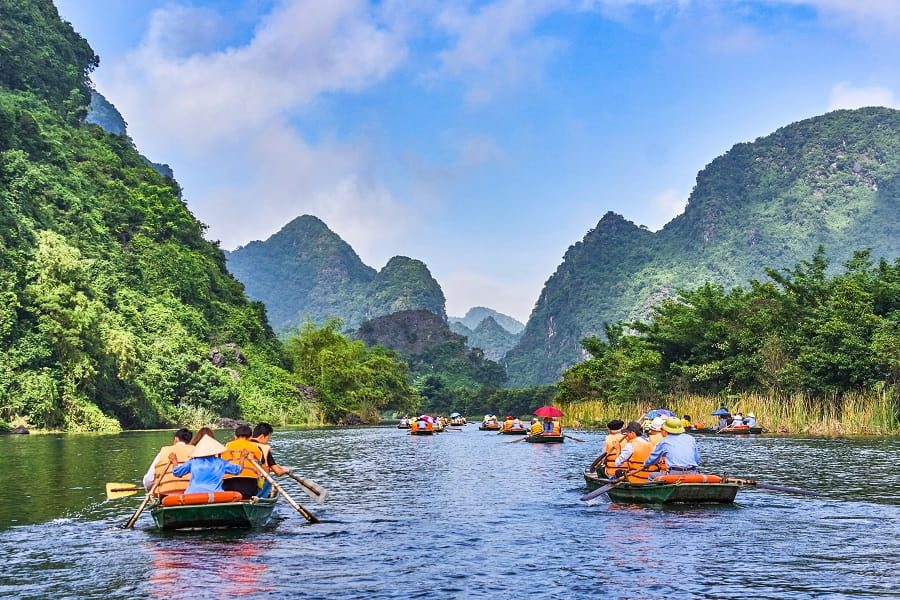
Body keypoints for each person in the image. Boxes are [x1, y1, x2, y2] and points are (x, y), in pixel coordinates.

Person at [171, 435, 243, 494]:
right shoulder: (221, 462)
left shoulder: (193, 462)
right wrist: (242, 457)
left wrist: (174, 461)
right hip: (215, 494)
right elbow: (238, 470)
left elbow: (177, 472)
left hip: (193, 494)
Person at [142, 428, 194, 495]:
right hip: (191, 494)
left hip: (165, 495)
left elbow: (148, 480)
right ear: (190, 441)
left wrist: (149, 489)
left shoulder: (163, 453)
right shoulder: (195, 452)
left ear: (176, 439)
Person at [222, 424, 265, 499]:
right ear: (250, 438)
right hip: (249, 482)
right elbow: (262, 464)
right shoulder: (255, 447)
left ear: (235, 437)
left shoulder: (227, 446)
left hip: (229, 482)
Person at [251, 423, 291, 498]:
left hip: (236, 482)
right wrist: (286, 470)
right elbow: (278, 472)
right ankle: (262, 498)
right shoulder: (263, 448)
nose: (267, 442)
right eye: (268, 439)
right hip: (255, 486)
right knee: (269, 479)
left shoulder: (243, 445)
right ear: (262, 436)